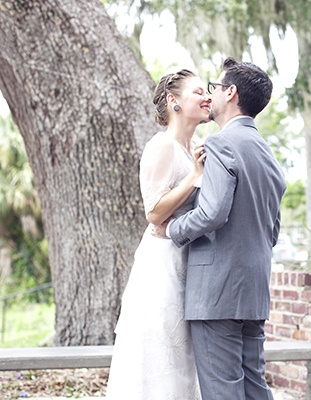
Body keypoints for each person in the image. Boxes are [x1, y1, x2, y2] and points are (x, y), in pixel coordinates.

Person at [155, 57, 286, 400]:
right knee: (255, 386)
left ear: (230, 93)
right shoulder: (268, 155)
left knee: (222, 392)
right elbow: (272, 231)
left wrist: (172, 230)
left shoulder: (220, 143)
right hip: (253, 290)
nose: (209, 96)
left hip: (216, 292)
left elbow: (213, 213)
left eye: (213, 88)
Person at [106, 69, 211, 399]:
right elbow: (153, 212)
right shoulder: (162, 146)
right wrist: (194, 175)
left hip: (189, 262)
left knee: (184, 360)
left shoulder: (194, 146)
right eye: (198, 92)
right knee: (162, 354)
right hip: (162, 266)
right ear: (174, 101)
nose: (208, 96)